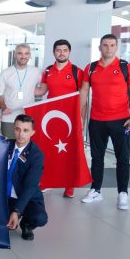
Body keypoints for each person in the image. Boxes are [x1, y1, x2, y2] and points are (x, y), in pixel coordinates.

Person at [79, 34, 130, 210]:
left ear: (117, 47)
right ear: (100, 48)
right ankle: (96, 190)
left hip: (121, 121)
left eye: (112, 45)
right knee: (97, 158)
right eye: (105, 45)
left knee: (122, 158)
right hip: (97, 120)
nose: (108, 48)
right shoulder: (91, 68)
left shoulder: (126, 67)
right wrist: (80, 117)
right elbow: (83, 93)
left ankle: (123, 193)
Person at [34, 39, 84, 198]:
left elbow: (83, 96)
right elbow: (41, 91)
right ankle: (47, 181)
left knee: (71, 152)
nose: (61, 53)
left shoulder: (78, 72)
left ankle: (70, 186)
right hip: (52, 118)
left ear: (69, 52)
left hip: (71, 119)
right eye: (58, 50)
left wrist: (81, 118)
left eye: (64, 50)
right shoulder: (48, 71)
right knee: (49, 151)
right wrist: (18, 90)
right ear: (53, 52)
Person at [6, 114, 48, 241]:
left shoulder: (36, 155)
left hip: (27, 197)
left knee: (40, 217)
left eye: (25, 130)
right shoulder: (5, 146)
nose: (21, 134)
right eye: (18, 129)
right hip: (5, 196)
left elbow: (30, 187)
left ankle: (26, 224)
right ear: (14, 129)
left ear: (32, 132)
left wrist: (17, 211)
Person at [0, 44, 41, 139]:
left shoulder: (36, 72)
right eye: (20, 53)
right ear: (15, 55)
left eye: (26, 53)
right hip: (9, 117)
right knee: (8, 147)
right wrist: (3, 108)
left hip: (28, 118)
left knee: (25, 149)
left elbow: (42, 90)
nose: (23, 56)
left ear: (30, 55)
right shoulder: (6, 73)